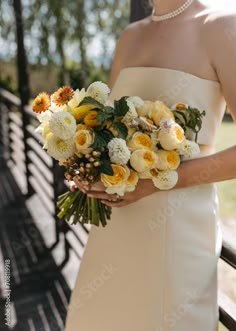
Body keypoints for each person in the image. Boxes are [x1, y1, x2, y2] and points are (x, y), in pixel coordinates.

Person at [65, 0, 236, 330]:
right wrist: (87, 168)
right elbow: (108, 126)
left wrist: (155, 182)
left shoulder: (222, 26)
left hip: (177, 227)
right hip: (114, 225)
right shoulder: (129, 36)